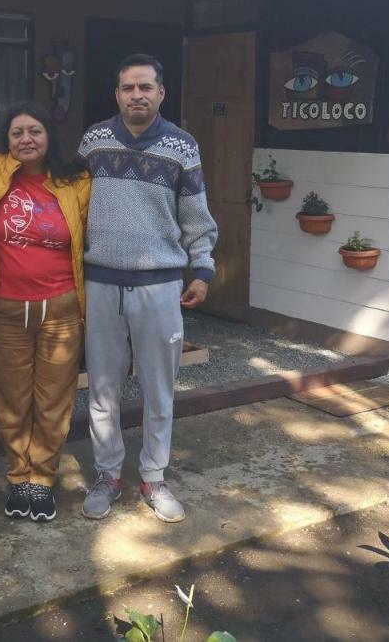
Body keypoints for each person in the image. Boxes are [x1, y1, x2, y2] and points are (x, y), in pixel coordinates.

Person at [77, 53, 218, 523]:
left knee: (159, 389)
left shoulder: (182, 146)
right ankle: (107, 474)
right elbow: (73, 209)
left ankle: (154, 476)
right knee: (102, 388)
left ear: (161, 93)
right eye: (127, 88)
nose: (136, 95)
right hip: (100, 282)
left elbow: (196, 217)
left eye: (145, 87)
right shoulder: (94, 142)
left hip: (159, 285)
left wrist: (201, 270)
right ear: (116, 94)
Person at [0, 102, 90, 523]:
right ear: (6, 140)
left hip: (62, 306)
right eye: (17, 132)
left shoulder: (75, 182)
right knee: (11, 398)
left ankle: (43, 478)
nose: (25, 139)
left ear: (49, 136)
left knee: (54, 398)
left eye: (34, 131)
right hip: (6, 308)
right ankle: (19, 476)